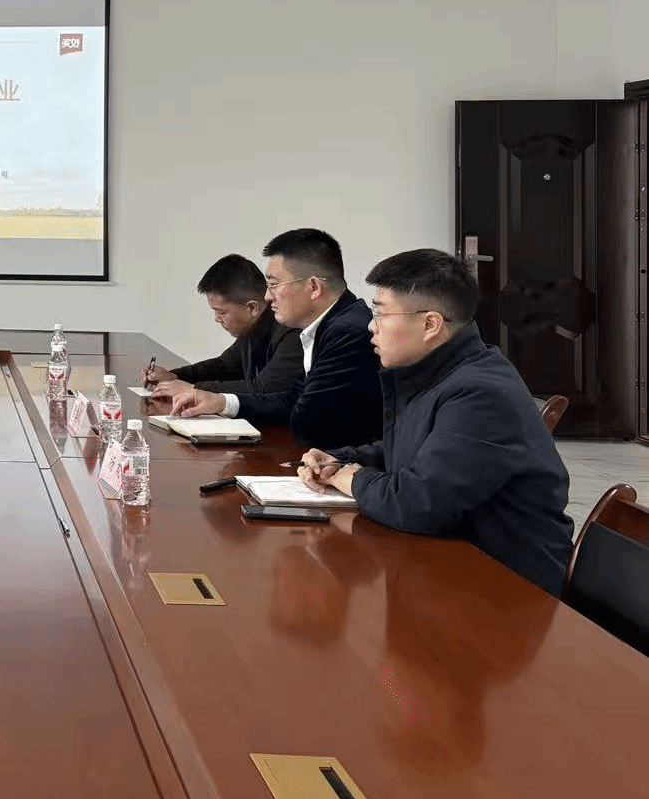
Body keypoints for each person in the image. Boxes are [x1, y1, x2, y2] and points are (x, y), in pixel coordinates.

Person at [297, 248, 573, 594]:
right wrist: (341, 459)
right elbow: (412, 448)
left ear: (430, 324)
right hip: (457, 563)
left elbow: (419, 504)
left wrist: (352, 479)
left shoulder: (480, 392)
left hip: (508, 587)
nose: (370, 326)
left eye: (380, 313)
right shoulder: (438, 373)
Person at [169, 228, 381, 450]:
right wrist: (222, 402)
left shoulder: (347, 332)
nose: (268, 296)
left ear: (314, 287)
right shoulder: (330, 324)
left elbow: (305, 420)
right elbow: (293, 399)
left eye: (274, 284)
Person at [143, 253, 301, 397]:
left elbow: (263, 388)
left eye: (221, 312)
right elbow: (224, 366)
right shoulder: (252, 327)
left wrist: (193, 389)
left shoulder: (293, 332)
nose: (217, 319)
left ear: (252, 308)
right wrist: (175, 376)